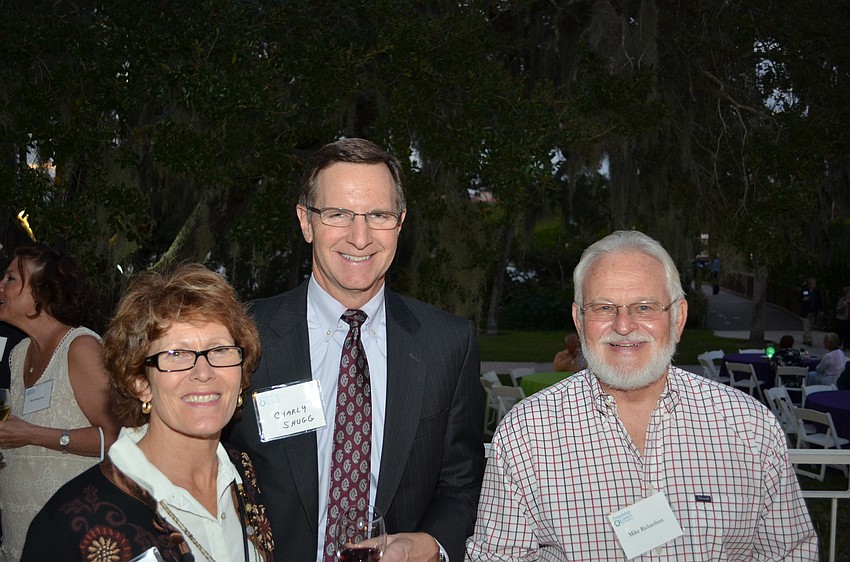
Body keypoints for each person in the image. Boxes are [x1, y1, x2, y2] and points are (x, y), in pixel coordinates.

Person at [466, 230, 817, 561]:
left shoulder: (750, 428)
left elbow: (789, 552)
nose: (623, 325)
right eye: (604, 307)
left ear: (678, 318)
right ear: (578, 320)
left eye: (645, 307)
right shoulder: (526, 433)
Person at [227, 138, 484, 562]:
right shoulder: (242, 334)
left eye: (378, 215)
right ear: (306, 222)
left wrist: (428, 544)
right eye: (338, 214)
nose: (360, 237)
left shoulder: (448, 344)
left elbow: (462, 485)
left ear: (400, 224)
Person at [21, 264, 275, 561]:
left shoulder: (247, 475)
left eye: (219, 350)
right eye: (176, 354)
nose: (203, 372)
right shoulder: (68, 525)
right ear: (141, 383)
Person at [0, 243, 121, 560]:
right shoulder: (17, 355)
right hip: (21, 532)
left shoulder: (80, 347)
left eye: (11, 279)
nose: (1, 286)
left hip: (73, 532)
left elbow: (120, 440)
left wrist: (32, 435)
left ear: (39, 293)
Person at [798, 277, 822, 346]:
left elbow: (819, 301)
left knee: (810, 327)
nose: (814, 286)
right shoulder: (804, 291)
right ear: (809, 284)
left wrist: (821, 310)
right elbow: (798, 299)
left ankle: (805, 339)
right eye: (813, 284)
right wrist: (803, 299)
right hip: (805, 312)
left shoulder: (817, 292)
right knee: (807, 326)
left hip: (813, 312)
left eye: (815, 284)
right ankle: (809, 340)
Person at [835, 286, 850, 351]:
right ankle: (838, 345)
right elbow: (838, 309)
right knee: (841, 333)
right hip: (842, 318)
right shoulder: (842, 300)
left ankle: (846, 346)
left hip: (849, 319)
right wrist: (844, 304)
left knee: (848, 333)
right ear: (846, 293)